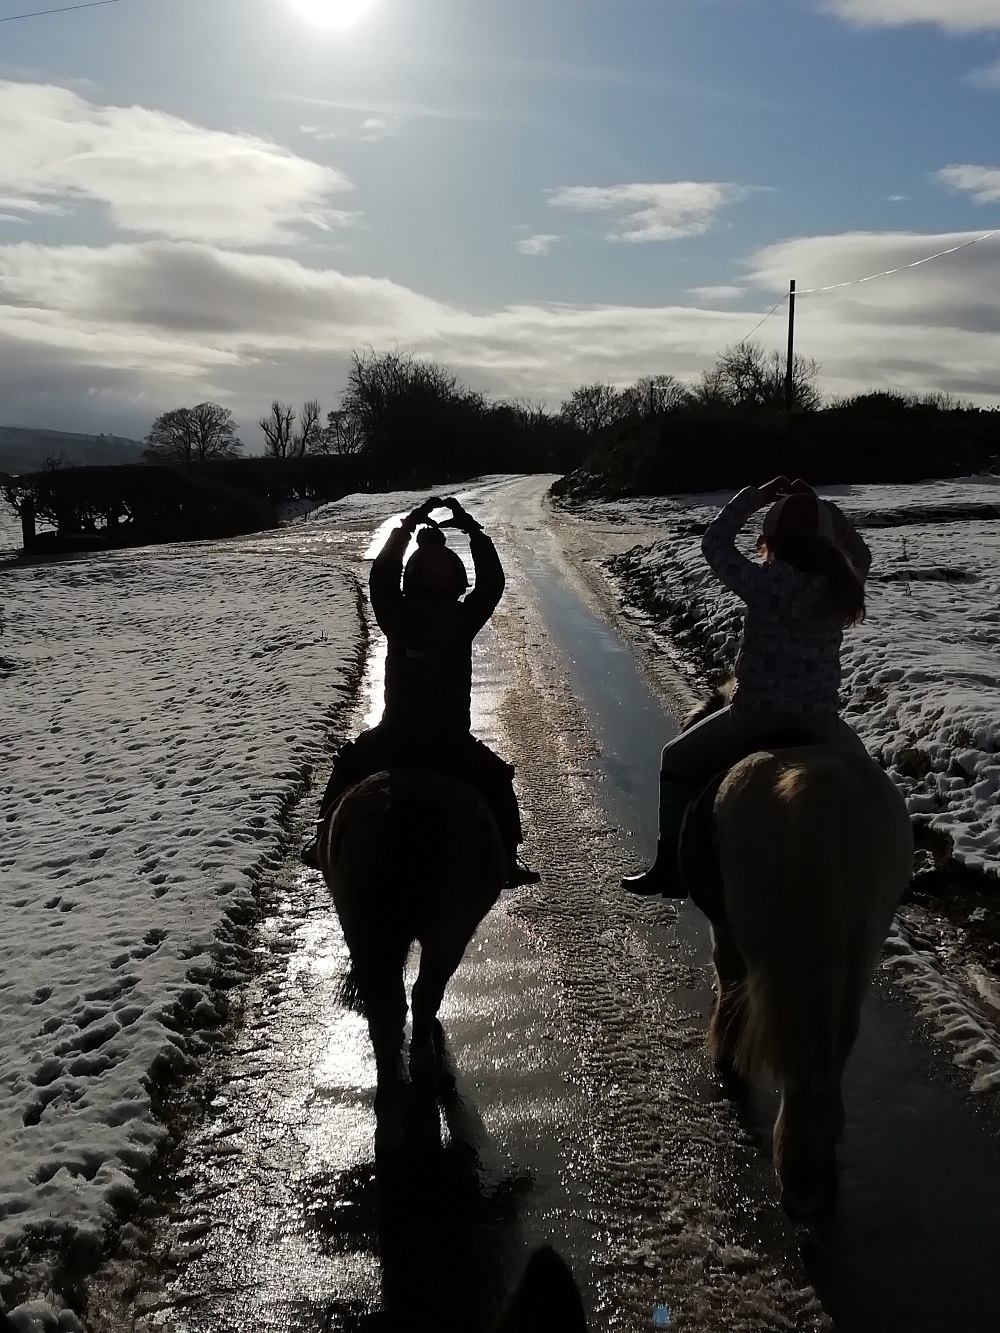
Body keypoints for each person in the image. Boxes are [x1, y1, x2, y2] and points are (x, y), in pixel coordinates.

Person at [622, 476, 873, 898]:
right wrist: (821, 508)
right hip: (820, 723)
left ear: (772, 539)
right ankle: (880, 872)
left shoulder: (763, 581)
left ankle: (669, 866)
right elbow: (860, 552)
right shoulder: (842, 583)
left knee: (675, 758)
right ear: (826, 541)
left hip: (754, 715)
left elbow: (715, 544)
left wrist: (754, 497)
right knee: (869, 785)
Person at [303, 495, 540, 889]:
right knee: (497, 779)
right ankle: (508, 860)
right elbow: (493, 583)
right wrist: (472, 529)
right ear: (456, 579)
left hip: (394, 739)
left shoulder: (396, 613)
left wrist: (407, 526)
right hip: (450, 744)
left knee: (347, 765)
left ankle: (320, 842)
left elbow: (380, 576)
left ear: (409, 578)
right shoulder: (462, 618)